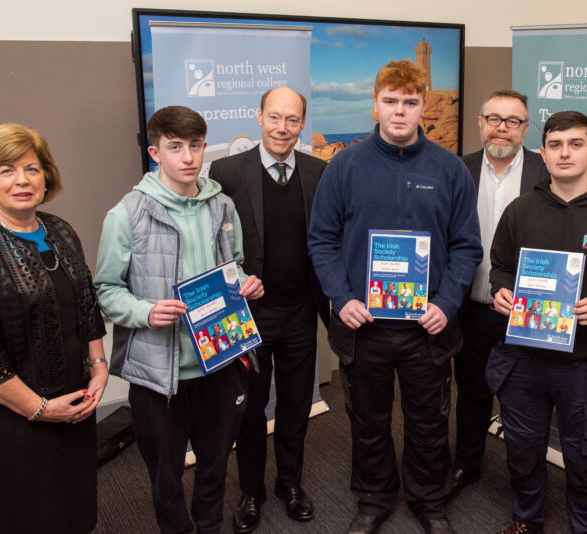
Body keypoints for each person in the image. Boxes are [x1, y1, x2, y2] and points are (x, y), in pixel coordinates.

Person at [308, 59, 482, 534]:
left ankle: (430, 501)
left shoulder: (450, 169)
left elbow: (467, 246)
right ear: (375, 106)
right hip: (363, 325)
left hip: (428, 327)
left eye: (409, 102)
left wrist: (445, 306)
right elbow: (321, 239)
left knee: (429, 422)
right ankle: (374, 497)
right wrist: (341, 298)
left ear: (423, 105)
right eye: (390, 102)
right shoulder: (344, 165)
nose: (400, 112)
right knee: (367, 420)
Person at [94, 106, 264, 534]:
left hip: (220, 361)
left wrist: (246, 284)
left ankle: (208, 526)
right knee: (165, 474)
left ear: (205, 147)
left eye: (195, 145)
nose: (187, 157)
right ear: (156, 153)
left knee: (213, 462)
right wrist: (146, 312)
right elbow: (106, 291)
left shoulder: (221, 205)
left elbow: (235, 265)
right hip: (159, 374)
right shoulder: (126, 215)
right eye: (175, 147)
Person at [488, 111, 587, 534]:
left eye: (575, 144)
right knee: (522, 451)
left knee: (583, 458)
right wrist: (502, 291)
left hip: (586, 363)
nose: (565, 153)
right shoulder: (520, 210)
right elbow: (501, 267)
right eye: (556, 145)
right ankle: (527, 518)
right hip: (523, 358)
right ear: (542, 153)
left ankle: (586, 527)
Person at [0, 124, 108, 533]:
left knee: (72, 508)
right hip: (8, 421)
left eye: (32, 168)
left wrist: (98, 366)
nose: (23, 180)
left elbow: (85, 303)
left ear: (47, 176)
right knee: (23, 515)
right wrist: (40, 410)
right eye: (6, 170)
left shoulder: (59, 230)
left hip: (72, 404)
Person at [209, 86, 329, 533]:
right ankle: (252, 490)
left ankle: (290, 484)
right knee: (251, 407)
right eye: (274, 117)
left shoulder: (320, 172)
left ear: (302, 124)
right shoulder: (226, 171)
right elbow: (212, 239)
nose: (283, 128)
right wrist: (233, 278)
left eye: (292, 120)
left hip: (302, 309)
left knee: (297, 405)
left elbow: (331, 236)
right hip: (251, 314)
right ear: (258, 117)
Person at [451, 89, 549, 498]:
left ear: (526, 128)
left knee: (526, 401)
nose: (502, 128)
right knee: (471, 391)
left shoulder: (548, 174)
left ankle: (525, 481)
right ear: (480, 122)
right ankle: (467, 464)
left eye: (513, 121)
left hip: (525, 311)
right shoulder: (458, 169)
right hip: (468, 306)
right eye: (494, 118)